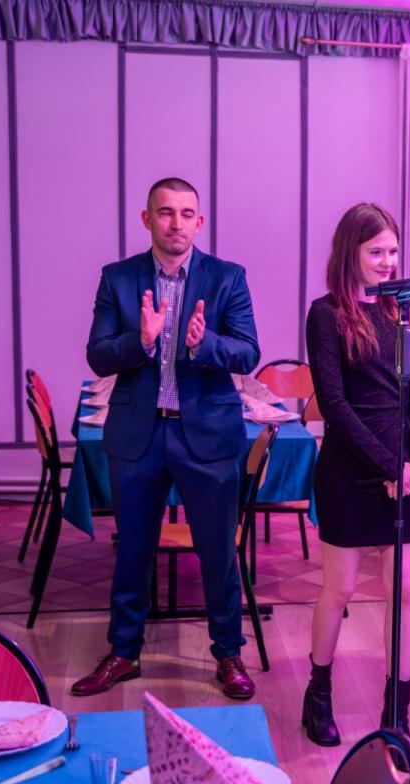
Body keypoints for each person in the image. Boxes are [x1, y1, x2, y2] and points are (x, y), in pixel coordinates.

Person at [73, 177, 261, 700]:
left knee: (218, 552)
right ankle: (123, 652)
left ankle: (228, 654)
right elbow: (97, 355)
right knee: (132, 551)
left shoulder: (227, 277)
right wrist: (142, 340)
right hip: (139, 434)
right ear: (147, 219)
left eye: (186, 213)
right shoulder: (118, 278)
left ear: (199, 222)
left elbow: (249, 352)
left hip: (208, 435)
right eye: (165, 212)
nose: (176, 223)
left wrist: (206, 344)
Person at [302, 203, 410, 745]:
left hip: (404, 471)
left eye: (393, 251)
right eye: (376, 251)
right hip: (351, 469)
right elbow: (333, 403)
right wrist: (387, 464)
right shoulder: (326, 313)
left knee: (404, 590)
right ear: (349, 252)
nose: (387, 261)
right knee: (342, 588)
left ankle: (397, 710)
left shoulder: (404, 310)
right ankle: (318, 694)